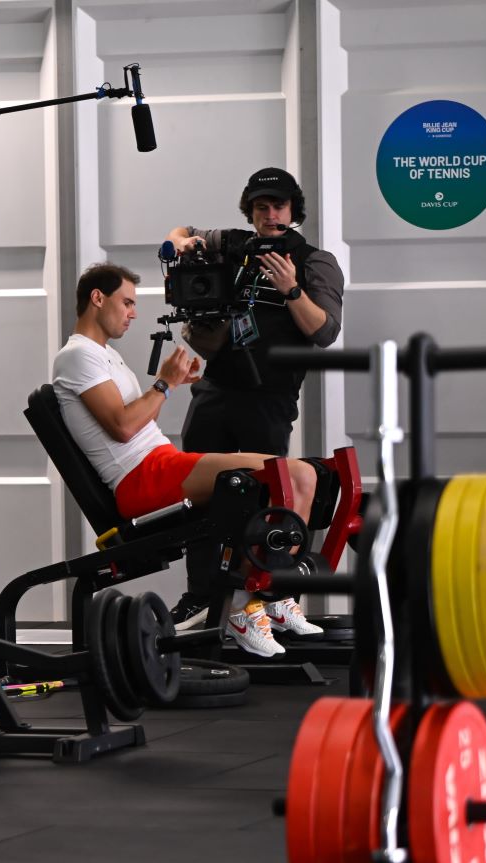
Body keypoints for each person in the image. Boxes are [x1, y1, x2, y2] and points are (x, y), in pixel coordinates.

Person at [52, 263, 319, 658]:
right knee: (290, 474)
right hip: (140, 479)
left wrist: (170, 385)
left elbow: (140, 420)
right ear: (97, 298)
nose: (133, 312)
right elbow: (123, 429)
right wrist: (164, 383)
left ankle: (268, 597)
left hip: (160, 462)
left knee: (301, 477)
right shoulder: (76, 357)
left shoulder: (104, 355)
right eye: (126, 302)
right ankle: (248, 606)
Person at [162, 167, 344, 633]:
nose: (269, 215)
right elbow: (180, 231)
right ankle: (200, 595)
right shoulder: (233, 243)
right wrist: (183, 242)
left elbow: (323, 331)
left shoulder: (316, 261)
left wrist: (291, 289)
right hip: (215, 391)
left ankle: (264, 600)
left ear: (293, 211)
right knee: (200, 497)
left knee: (268, 498)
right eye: (261, 207)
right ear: (251, 210)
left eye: (278, 207)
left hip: (269, 397)